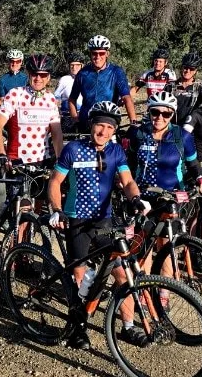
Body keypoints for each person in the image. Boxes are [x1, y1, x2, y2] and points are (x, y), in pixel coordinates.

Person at [46, 101, 148, 350]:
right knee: (80, 277)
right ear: (91, 125)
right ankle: (78, 329)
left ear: (114, 131)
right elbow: (55, 182)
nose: (103, 132)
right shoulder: (73, 149)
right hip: (76, 219)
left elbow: (127, 180)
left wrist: (136, 199)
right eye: (99, 126)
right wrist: (56, 210)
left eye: (109, 128)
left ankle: (128, 327)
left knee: (122, 274)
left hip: (104, 221)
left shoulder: (115, 152)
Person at [0, 54, 64, 166]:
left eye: (43, 75)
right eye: (34, 74)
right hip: (16, 161)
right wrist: (1, 153)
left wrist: (60, 158)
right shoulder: (15, 94)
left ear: (48, 77)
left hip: (42, 161)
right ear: (29, 75)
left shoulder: (50, 98)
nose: (38, 78)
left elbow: (56, 132)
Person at [126, 92, 201, 192]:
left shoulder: (183, 136)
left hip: (174, 197)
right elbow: (129, 163)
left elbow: (193, 164)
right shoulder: (137, 133)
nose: (160, 118)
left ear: (173, 115)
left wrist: (201, 178)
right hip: (142, 195)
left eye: (166, 114)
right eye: (155, 112)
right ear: (149, 112)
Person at [69, 34, 136, 126]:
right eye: (94, 53)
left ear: (107, 54)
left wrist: (133, 123)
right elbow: (72, 98)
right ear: (90, 53)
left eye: (101, 53)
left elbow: (126, 98)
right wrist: (75, 119)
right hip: (86, 121)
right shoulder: (82, 73)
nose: (98, 57)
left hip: (108, 121)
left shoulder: (116, 72)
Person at [53, 52, 85, 132]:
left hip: (84, 115)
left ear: (82, 66)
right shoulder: (64, 80)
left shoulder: (87, 79)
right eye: (72, 65)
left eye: (77, 65)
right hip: (67, 116)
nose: (74, 68)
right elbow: (55, 98)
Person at [171, 51, 202, 122]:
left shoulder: (200, 88)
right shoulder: (170, 86)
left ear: (195, 71)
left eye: (191, 69)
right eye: (185, 67)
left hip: (191, 127)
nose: (187, 71)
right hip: (171, 126)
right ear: (181, 68)